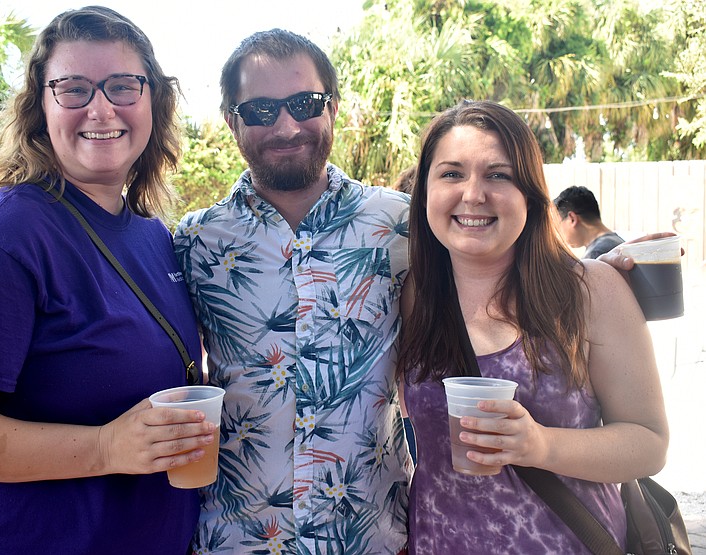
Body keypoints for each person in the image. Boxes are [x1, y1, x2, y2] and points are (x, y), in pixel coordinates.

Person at [0, 7, 213, 554]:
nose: (101, 108)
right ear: (41, 105)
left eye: (122, 86)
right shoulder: (2, 240)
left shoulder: (152, 235)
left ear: (153, 100)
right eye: (74, 89)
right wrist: (105, 448)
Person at [173, 29, 413, 553]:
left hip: (369, 537)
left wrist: (610, 267)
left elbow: (501, 278)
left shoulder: (400, 225)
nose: (286, 126)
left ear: (332, 107)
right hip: (238, 539)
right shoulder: (194, 242)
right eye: (260, 110)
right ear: (230, 119)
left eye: (305, 104)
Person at [399, 100, 669, 553]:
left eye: (498, 175)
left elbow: (649, 442)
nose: (473, 194)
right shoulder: (411, 295)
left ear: (530, 193)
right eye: (451, 173)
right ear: (425, 191)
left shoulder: (589, 291)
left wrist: (541, 446)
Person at [554, 185, 625, 258]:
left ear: (572, 219)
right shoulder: (618, 243)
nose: (558, 233)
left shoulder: (596, 254)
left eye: (557, 225)